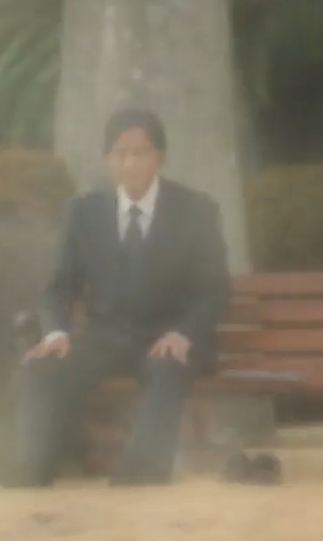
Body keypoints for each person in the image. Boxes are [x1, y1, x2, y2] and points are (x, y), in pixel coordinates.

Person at [15, 107, 231, 487]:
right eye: (120, 154)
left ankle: (143, 470)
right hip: (105, 338)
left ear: (159, 157)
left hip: (166, 337)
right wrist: (56, 332)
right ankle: (33, 468)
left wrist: (185, 333)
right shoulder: (83, 212)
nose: (129, 163)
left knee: (168, 367)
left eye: (139, 153)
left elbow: (214, 289)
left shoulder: (196, 211)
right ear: (107, 159)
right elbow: (60, 287)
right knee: (43, 367)